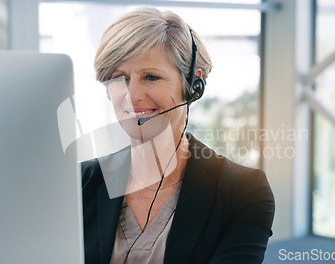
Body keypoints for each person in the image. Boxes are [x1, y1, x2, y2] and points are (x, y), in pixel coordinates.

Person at [81, 6, 275, 264]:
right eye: (120, 78)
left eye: (150, 77)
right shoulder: (79, 183)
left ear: (193, 86)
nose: (132, 95)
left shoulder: (242, 192)